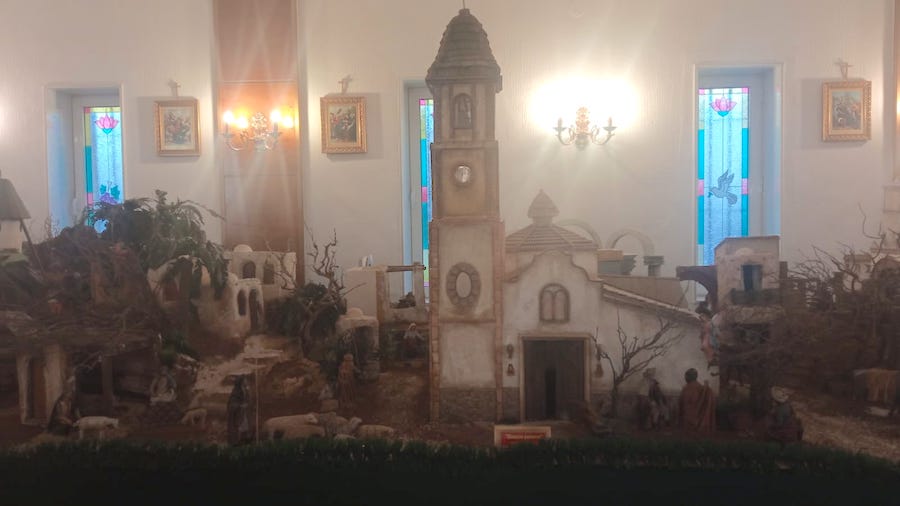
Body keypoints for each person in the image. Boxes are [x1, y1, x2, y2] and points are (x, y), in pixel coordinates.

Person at [679, 368, 716, 433]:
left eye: (686, 376)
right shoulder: (702, 389)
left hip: (688, 422)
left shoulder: (686, 389)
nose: (685, 378)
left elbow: (682, 406)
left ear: (689, 376)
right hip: (700, 423)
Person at [227, 375, 251, 445]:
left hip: (243, 413)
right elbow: (231, 404)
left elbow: (248, 400)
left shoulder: (245, 389)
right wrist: (240, 406)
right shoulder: (236, 392)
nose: (246, 381)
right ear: (241, 382)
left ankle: (244, 441)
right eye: (245, 380)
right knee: (238, 428)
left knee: (245, 428)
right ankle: (236, 442)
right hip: (237, 414)